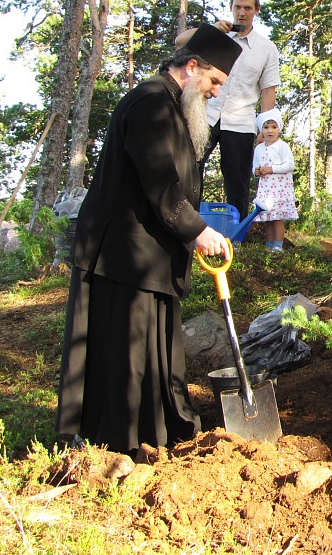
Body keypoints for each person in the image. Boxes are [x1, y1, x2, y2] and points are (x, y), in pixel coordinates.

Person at [57, 24, 242, 454]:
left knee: (154, 349)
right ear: (193, 67)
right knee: (124, 351)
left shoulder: (174, 106)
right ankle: (117, 440)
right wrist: (199, 231)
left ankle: (160, 432)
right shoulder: (149, 103)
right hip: (121, 255)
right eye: (214, 81)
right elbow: (160, 184)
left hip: (148, 253)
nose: (215, 92)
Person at [176, 0, 281, 219]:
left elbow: (268, 90)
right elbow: (180, 41)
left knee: (238, 180)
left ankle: (237, 236)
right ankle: (188, 226)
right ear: (231, 7)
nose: (241, 13)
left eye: (247, 8)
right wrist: (211, 29)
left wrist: (265, 127)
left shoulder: (266, 49)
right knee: (191, 170)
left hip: (241, 122)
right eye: (237, 7)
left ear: (256, 10)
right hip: (206, 115)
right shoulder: (216, 35)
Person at [252, 109, 298, 252]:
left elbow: (290, 165)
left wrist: (272, 169)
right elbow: (254, 166)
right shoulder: (259, 148)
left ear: (279, 128)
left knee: (277, 218)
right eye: (266, 127)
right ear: (261, 130)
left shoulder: (282, 146)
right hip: (265, 190)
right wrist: (257, 171)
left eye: (273, 127)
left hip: (280, 189)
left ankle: (278, 246)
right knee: (268, 219)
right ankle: (269, 245)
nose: (270, 131)